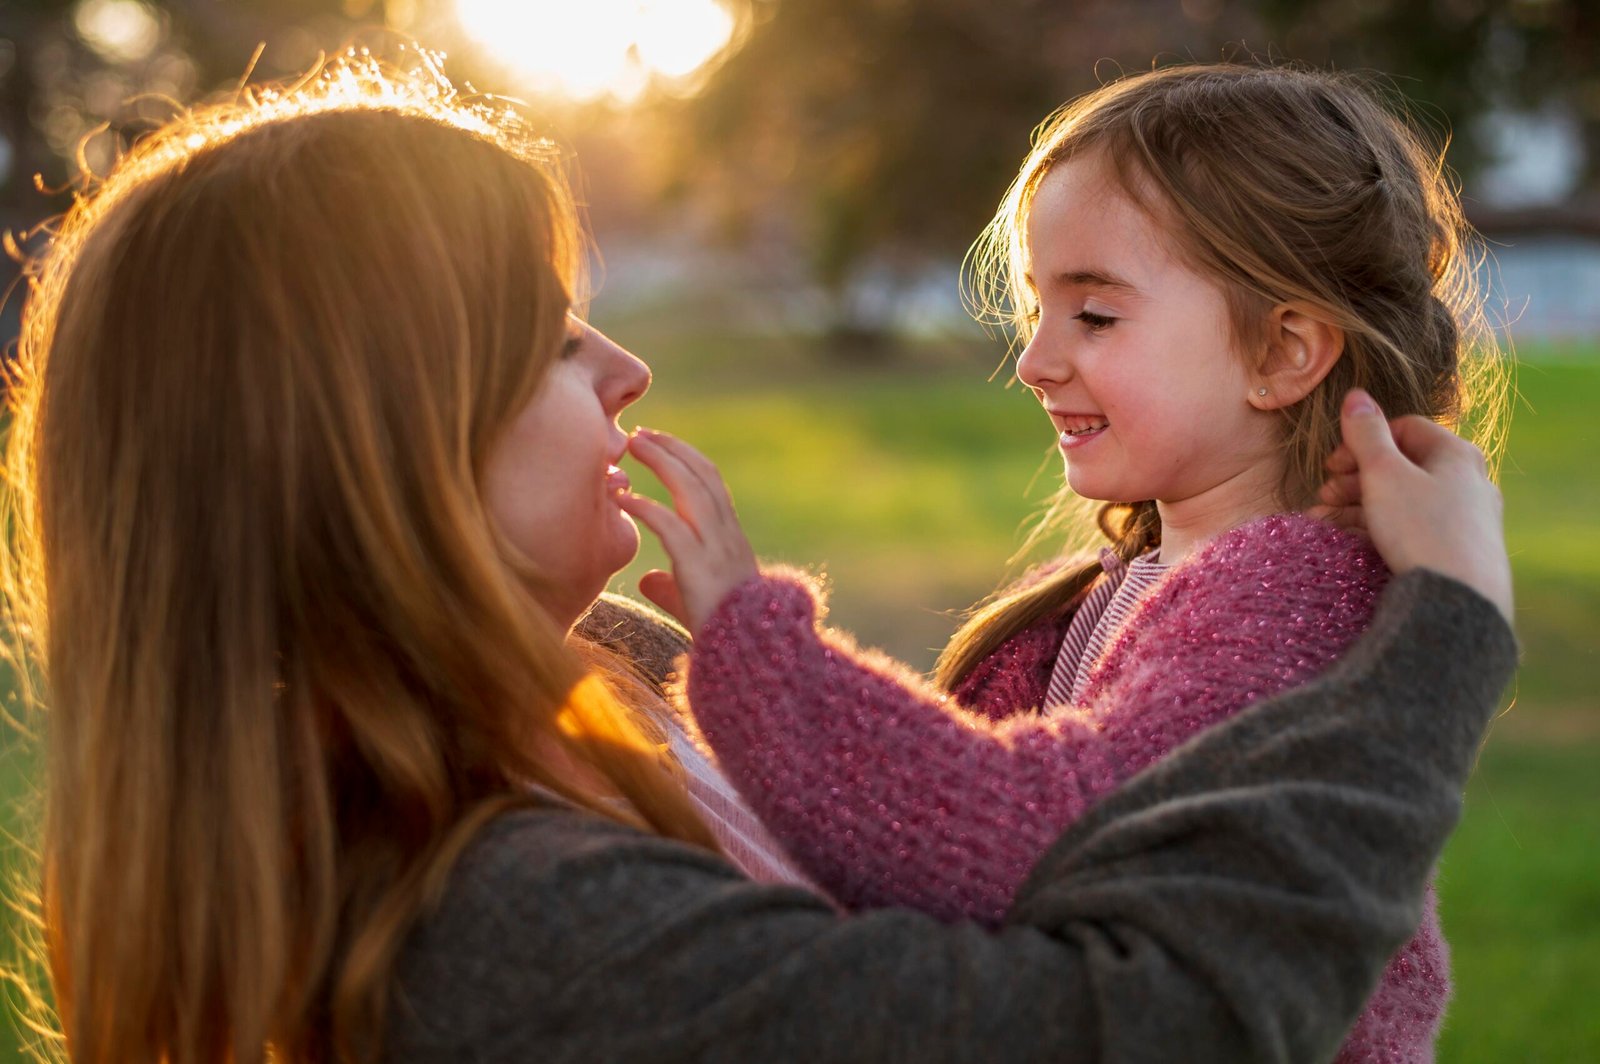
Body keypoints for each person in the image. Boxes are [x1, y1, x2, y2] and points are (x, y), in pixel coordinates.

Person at [1, 57, 1515, 1064]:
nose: (629, 366)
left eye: (1097, 311)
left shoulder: (601, 703)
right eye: (547, 334)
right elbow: (1148, 1025)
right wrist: (1442, 640)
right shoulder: (508, 927)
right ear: (366, 437)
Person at [619, 65, 1509, 1063]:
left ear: (1283, 352)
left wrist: (758, 653)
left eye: (1093, 315)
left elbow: (1035, 837)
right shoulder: (1140, 575)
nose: (1035, 359)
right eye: (1037, 308)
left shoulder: (1290, 593)